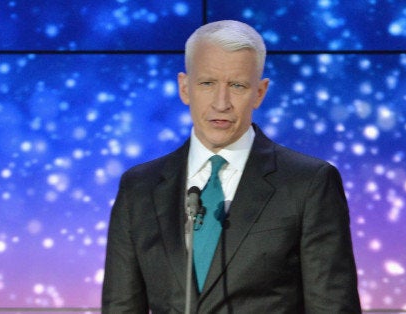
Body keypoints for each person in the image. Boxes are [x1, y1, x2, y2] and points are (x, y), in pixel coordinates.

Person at [102, 20, 361, 313]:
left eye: (237, 85)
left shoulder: (309, 183)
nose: (221, 103)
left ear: (260, 93)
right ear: (185, 88)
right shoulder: (139, 187)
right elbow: (120, 307)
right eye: (207, 83)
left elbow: (333, 307)